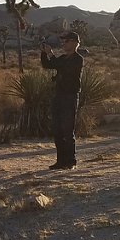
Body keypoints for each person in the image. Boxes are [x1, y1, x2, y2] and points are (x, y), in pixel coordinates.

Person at [40, 31, 84, 169]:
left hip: (70, 97)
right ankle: (61, 161)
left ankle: (70, 161)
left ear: (74, 43)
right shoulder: (63, 58)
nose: (63, 44)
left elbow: (60, 66)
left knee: (67, 129)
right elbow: (48, 65)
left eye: (66, 41)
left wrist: (51, 54)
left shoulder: (78, 59)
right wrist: (44, 53)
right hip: (59, 95)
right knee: (58, 129)